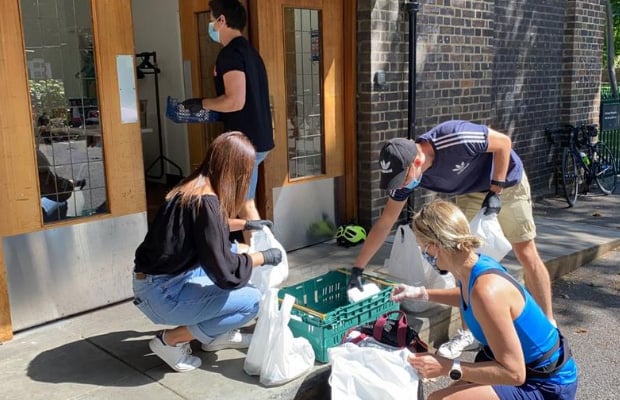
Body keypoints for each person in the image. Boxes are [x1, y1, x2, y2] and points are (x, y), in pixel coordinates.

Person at [349, 120, 554, 359]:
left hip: (506, 181)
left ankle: (549, 323)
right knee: (461, 261)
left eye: (402, 179)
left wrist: (495, 192)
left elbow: (504, 144)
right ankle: (470, 333)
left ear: (417, 161)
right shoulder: (407, 176)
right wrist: (358, 268)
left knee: (526, 252)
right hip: (470, 191)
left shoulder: (454, 137)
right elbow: (385, 222)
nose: (402, 185)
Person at [391, 200, 577, 400]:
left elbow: (514, 373)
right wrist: (420, 292)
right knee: (443, 395)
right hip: (531, 370)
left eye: (423, 248)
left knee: (440, 399)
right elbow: (466, 297)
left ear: (436, 246)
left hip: (546, 383)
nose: (423, 255)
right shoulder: (471, 267)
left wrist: (448, 367)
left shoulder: (486, 291)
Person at [132, 132, 282, 372]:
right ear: (236, 169)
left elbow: (211, 228)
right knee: (251, 301)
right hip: (162, 294)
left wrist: (246, 224)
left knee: (238, 249)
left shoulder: (192, 186)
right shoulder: (207, 202)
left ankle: (216, 335)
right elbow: (227, 273)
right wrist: (264, 257)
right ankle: (170, 341)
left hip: (155, 282)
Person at [181, 0, 274, 236]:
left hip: (245, 143)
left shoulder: (230, 55)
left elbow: (235, 101)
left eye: (212, 19)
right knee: (236, 201)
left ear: (222, 21)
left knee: (245, 203)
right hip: (258, 139)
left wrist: (200, 103)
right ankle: (244, 255)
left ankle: (267, 257)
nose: (210, 25)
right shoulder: (250, 52)